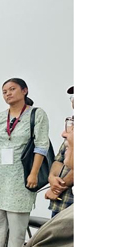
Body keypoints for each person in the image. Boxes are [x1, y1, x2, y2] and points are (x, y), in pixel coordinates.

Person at [0, 78, 49, 247]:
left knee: (17, 224)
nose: (8, 94)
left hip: (22, 176)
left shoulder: (37, 115)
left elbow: (41, 145)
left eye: (12, 89)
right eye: (4, 91)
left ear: (24, 91)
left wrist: (34, 173)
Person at [45, 86, 74, 217]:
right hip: (61, 201)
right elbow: (59, 159)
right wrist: (51, 178)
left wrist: (56, 190)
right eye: (72, 97)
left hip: (70, 199)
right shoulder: (71, 123)